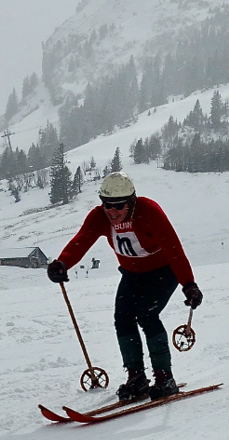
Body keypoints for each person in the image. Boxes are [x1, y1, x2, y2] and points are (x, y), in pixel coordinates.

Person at [47, 172, 202, 401]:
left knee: (147, 315)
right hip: (132, 274)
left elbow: (174, 250)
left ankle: (164, 378)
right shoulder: (99, 217)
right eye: (107, 204)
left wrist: (188, 284)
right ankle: (136, 377)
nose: (112, 211)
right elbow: (82, 240)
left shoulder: (149, 213)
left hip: (163, 272)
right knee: (123, 319)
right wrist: (62, 263)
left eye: (118, 205)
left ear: (131, 202)